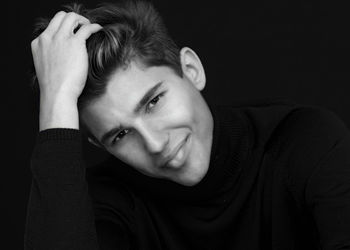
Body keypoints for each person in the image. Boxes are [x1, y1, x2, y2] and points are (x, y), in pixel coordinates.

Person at [25, 0, 350, 249]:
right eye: (120, 135)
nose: (154, 143)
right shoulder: (108, 202)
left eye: (154, 101)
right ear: (99, 144)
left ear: (191, 69)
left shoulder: (303, 142)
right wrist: (57, 101)